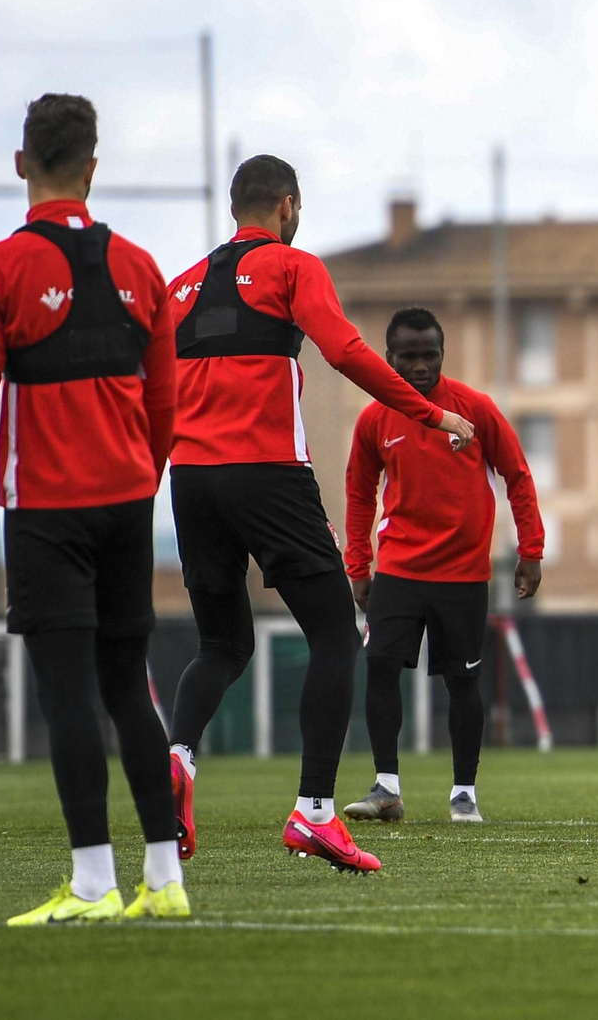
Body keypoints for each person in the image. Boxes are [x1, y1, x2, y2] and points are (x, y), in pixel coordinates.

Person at [164, 155, 475, 874]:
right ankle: (314, 813)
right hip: (267, 472)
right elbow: (345, 350)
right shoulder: (292, 268)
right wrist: (429, 415)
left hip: (190, 481)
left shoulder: (179, 286)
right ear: (287, 205)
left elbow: (152, 395)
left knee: (222, 646)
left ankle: (178, 755)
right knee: (337, 633)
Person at [0, 94, 188, 922]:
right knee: (129, 689)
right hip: (127, 507)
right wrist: (139, 482)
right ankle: (165, 881)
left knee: (68, 695)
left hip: (46, 512)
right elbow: (167, 408)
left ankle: (92, 883)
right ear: (93, 166)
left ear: (21, 165)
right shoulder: (145, 269)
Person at [341, 307, 544, 825]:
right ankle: (386, 788)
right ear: (388, 358)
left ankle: (464, 795)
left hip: (464, 573)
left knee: (462, 682)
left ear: (441, 354)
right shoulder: (374, 419)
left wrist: (531, 551)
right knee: (381, 666)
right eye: (407, 356)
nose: (419, 366)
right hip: (399, 569)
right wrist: (358, 565)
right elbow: (360, 494)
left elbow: (517, 475)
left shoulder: (475, 408)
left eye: (429, 355)